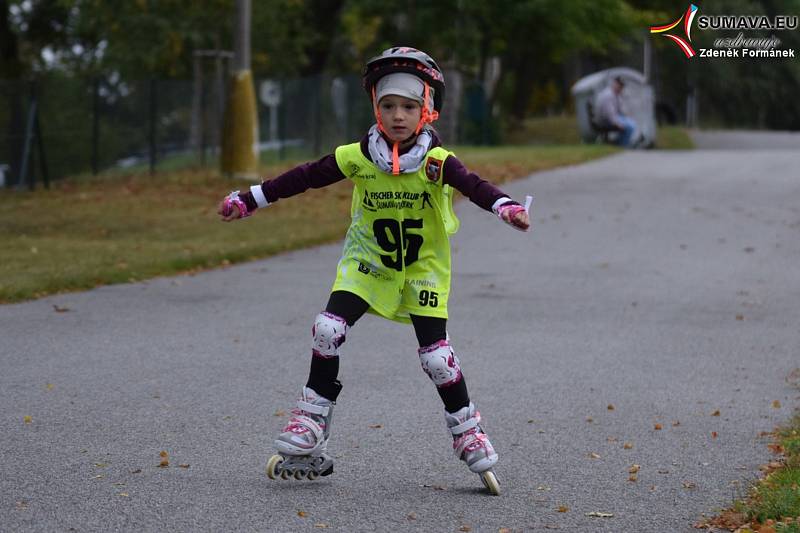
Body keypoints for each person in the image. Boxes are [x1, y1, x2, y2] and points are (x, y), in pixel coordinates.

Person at [217, 46, 530, 494]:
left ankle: (467, 430)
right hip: (367, 264)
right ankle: (311, 420)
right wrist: (249, 198)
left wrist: (507, 207)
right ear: (376, 109)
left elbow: (475, 186)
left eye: (409, 106)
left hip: (422, 269)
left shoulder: (438, 163)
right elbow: (304, 176)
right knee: (327, 329)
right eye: (388, 105)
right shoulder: (358, 156)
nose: (398, 115)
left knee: (437, 358)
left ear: (427, 110)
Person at [594, 76, 639, 147]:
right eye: (619, 85)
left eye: (622, 86)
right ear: (614, 84)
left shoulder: (615, 95)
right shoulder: (608, 95)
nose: (621, 88)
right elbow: (609, 114)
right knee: (630, 126)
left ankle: (620, 143)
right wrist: (618, 124)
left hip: (609, 119)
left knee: (632, 123)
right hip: (605, 121)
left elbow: (621, 111)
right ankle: (622, 145)